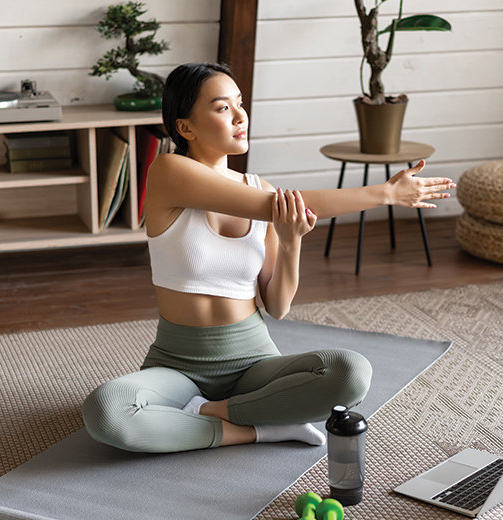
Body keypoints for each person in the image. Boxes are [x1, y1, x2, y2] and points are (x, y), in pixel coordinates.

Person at [82, 62, 455, 453]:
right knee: (108, 411)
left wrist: (291, 241)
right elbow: (274, 206)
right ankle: (259, 428)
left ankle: (211, 412)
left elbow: (277, 306)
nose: (241, 116)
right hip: (177, 366)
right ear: (186, 127)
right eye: (222, 107)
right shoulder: (169, 171)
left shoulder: (264, 193)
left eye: (240, 104)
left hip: (254, 362)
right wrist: (386, 193)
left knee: (350, 371)